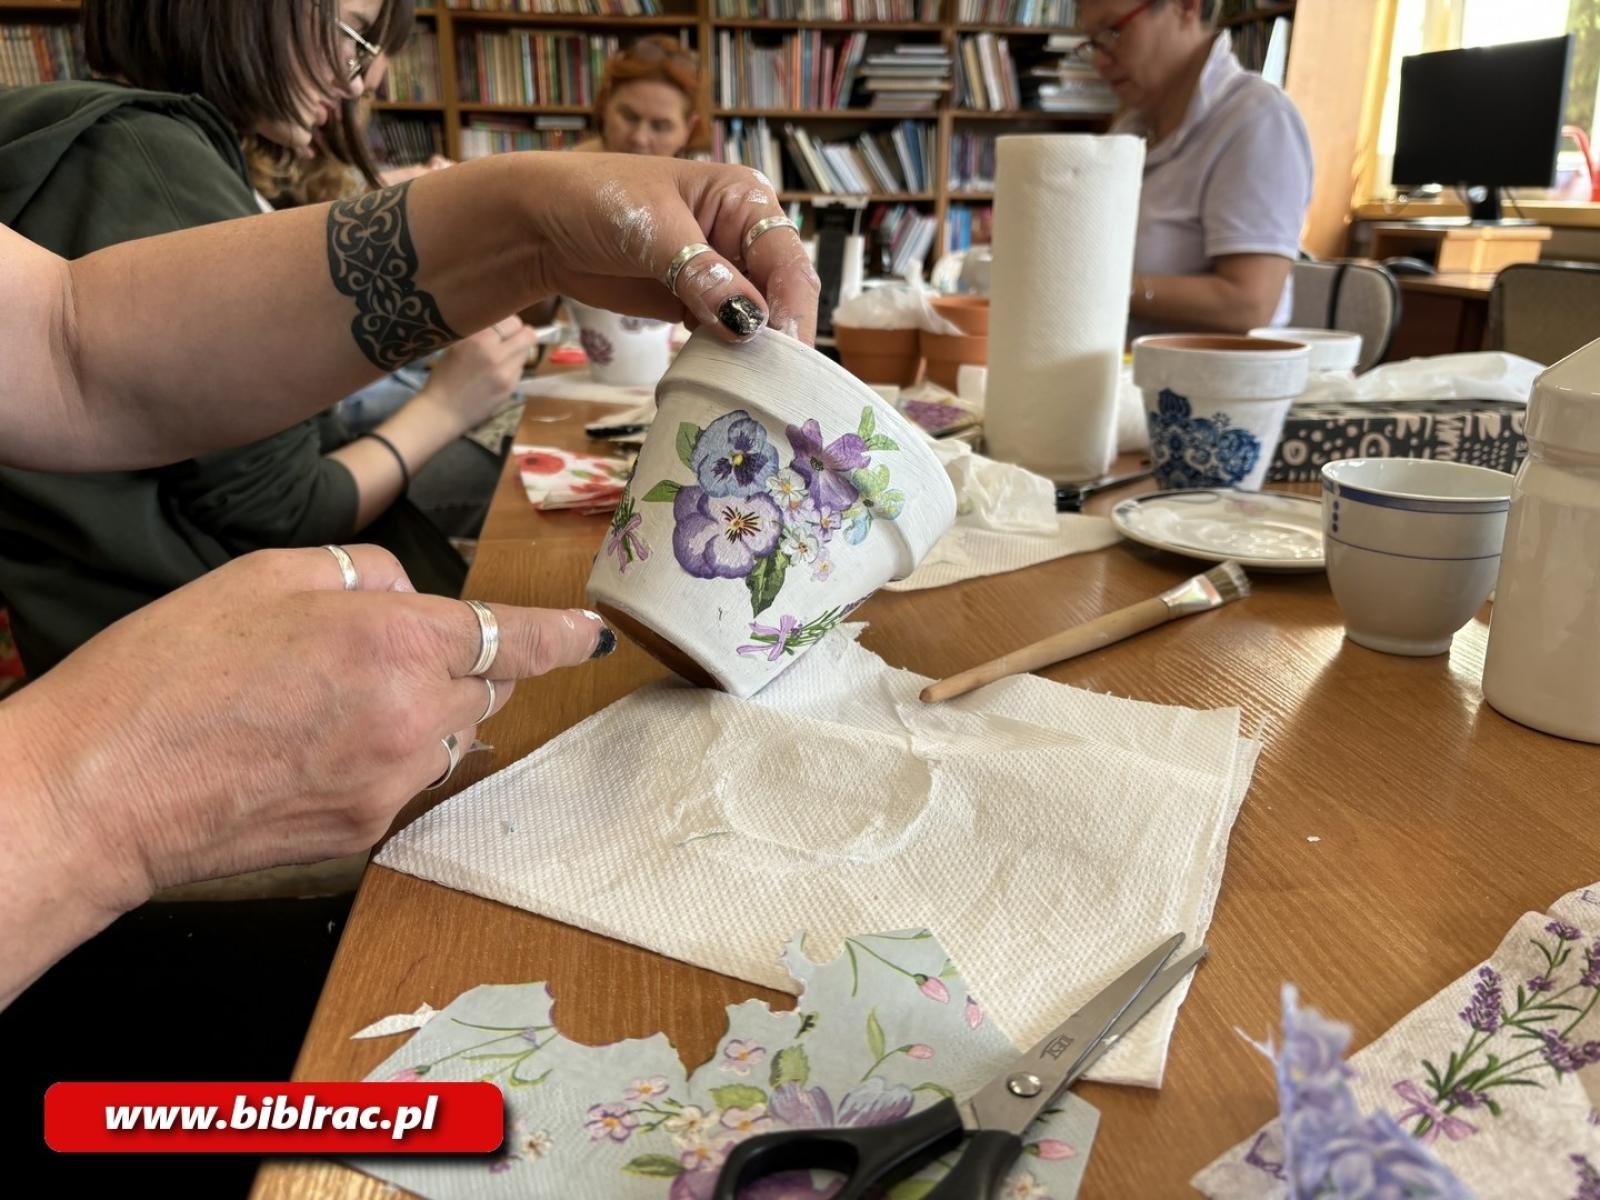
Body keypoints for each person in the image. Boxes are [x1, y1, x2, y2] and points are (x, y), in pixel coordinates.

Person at [0, 145, 817, 1006]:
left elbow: (63, 340)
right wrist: (96, 795)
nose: (361, 82)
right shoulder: (132, 154)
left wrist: (529, 226)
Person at [0, 0, 535, 675]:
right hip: (203, 663)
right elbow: (287, 510)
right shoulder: (151, 157)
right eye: (351, 30)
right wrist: (451, 403)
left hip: (128, 642)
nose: (359, 79)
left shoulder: (106, 142)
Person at [1078, 0, 1314, 338]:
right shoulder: (1131, 127)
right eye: (1092, 42)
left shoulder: (1258, 119)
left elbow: (1249, 304)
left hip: (1208, 369)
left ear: (1186, 7)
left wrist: (1097, 286)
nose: (1100, 60)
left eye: (1113, 31)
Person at [575, 33, 711, 159]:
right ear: (605, 106)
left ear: (688, 129)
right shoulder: (566, 170)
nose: (639, 138)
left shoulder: (703, 176)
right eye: (629, 117)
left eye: (660, 126)